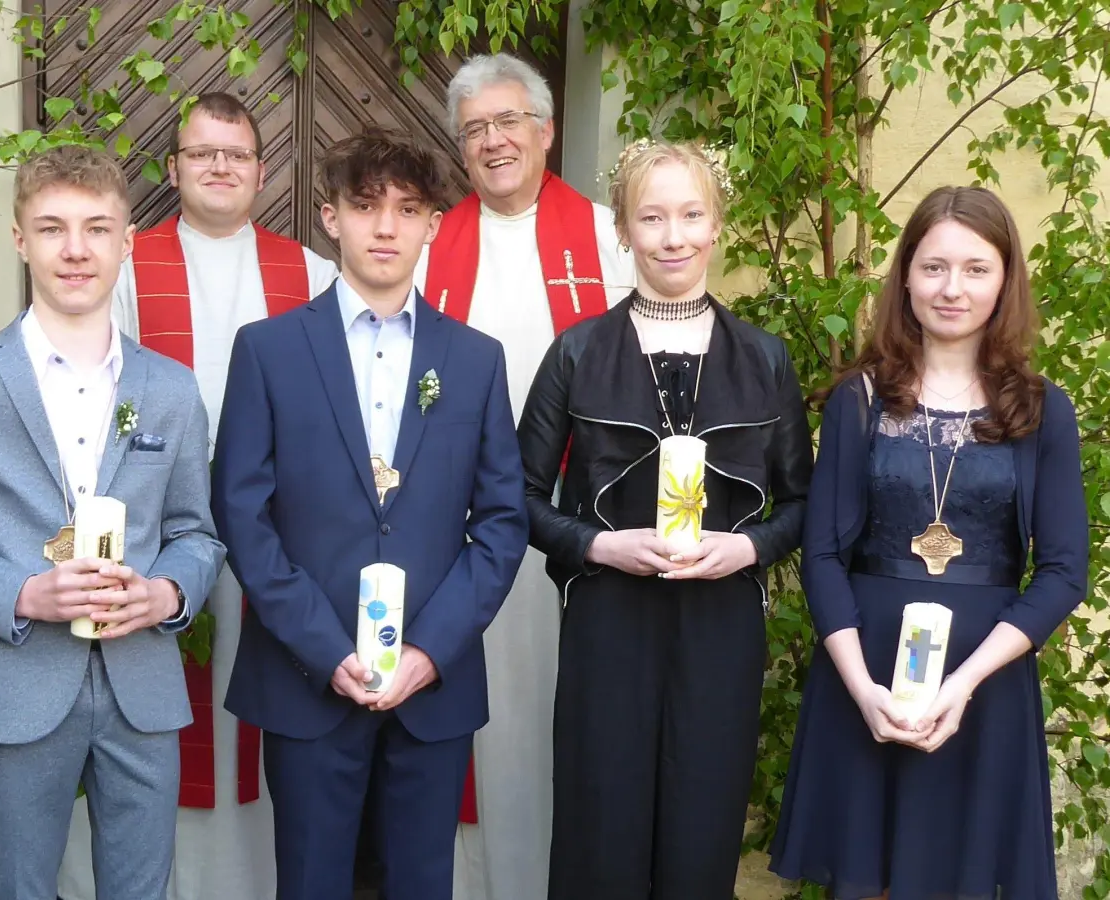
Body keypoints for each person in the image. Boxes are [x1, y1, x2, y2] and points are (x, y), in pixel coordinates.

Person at [211, 128, 528, 900]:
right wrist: (326, 650)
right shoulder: (267, 350)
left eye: (407, 209)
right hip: (307, 678)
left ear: (433, 225)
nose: (386, 227)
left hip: (433, 686)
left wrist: (429, 650)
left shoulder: (475, 359)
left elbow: (501, 521)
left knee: (421, 884)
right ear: (331, 217)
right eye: (365, 206)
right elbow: (242, 515)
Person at [0, 145, 225, 900]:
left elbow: (196, 534)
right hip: (15, 684)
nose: (76, 250)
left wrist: (166, 594)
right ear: (20, 240)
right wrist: (24, 593)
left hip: (142, 687)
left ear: (127, 242)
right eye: (52, 228)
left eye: (96, 229)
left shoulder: (172, 389)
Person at [770, 186, 1088, 900]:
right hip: (867, 675)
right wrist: (863, 690)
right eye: (934, 267)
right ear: (907, 276)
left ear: (1004, 281)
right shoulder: (859, 401)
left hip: (984, 687)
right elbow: (822, 555)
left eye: (976, 269)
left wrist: (963, 683)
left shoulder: (1042, 410)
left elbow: (1064, 571)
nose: (952, 288)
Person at [517, 139, 812, 899]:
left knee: (699, 833)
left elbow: (802, 505)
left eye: (690, 215)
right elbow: (514, 498)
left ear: (716, 225)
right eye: (651, 217)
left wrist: (747, 550)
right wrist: (597, 546)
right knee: (601, 835)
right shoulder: (576, 353)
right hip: (609, 625)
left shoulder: (766, 359)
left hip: (720, 630)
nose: (672, 236)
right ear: (623, 228)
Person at [91, 91, 336, 900]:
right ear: (174, 169)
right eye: (203, 153)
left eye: (236, 154)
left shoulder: (312, 274)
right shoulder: (127, 268)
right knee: (165, 711)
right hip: (160, 536)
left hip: (281, 539)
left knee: (259, 712)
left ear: (263, 173)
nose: (220, 166)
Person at [415, 53, 635, 897]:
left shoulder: (610, 238)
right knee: (483, 721)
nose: (494, 141)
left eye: (509, 121)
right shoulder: (431, 244)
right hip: (461, 530)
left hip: (580, 529)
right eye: (475, 129)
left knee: (564, 713)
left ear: (546, 130)